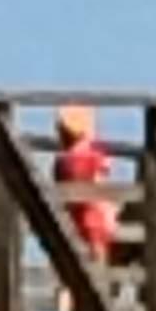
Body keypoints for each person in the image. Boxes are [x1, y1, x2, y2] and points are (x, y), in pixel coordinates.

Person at [51, 102, 116, 263]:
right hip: (95, 215)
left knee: (73, 260)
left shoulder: (63, 160)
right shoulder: (94, 154)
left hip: (71, 216)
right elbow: (100, 180)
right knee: (98, 256)